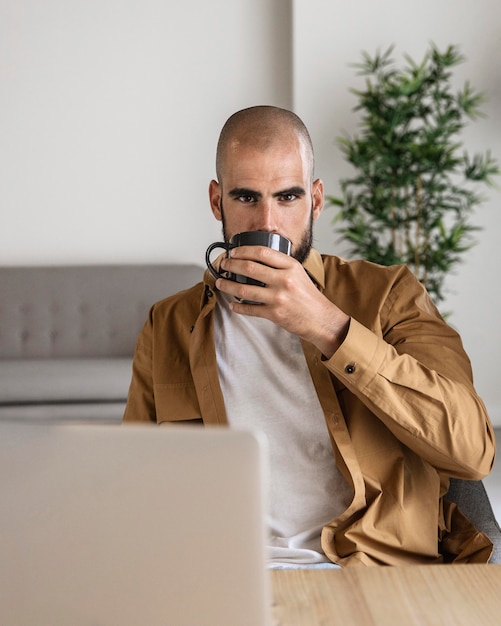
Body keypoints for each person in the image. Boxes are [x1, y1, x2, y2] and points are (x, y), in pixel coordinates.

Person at [123, 105, 496, 567]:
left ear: (315, 200)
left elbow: (473, 452)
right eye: (245, 198)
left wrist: (327, 326)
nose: (268, 223)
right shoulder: (170, 323)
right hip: (227, 572)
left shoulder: (388, 295)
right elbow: (132, 484)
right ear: (217, 201)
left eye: (287, 198)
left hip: (368, 571)